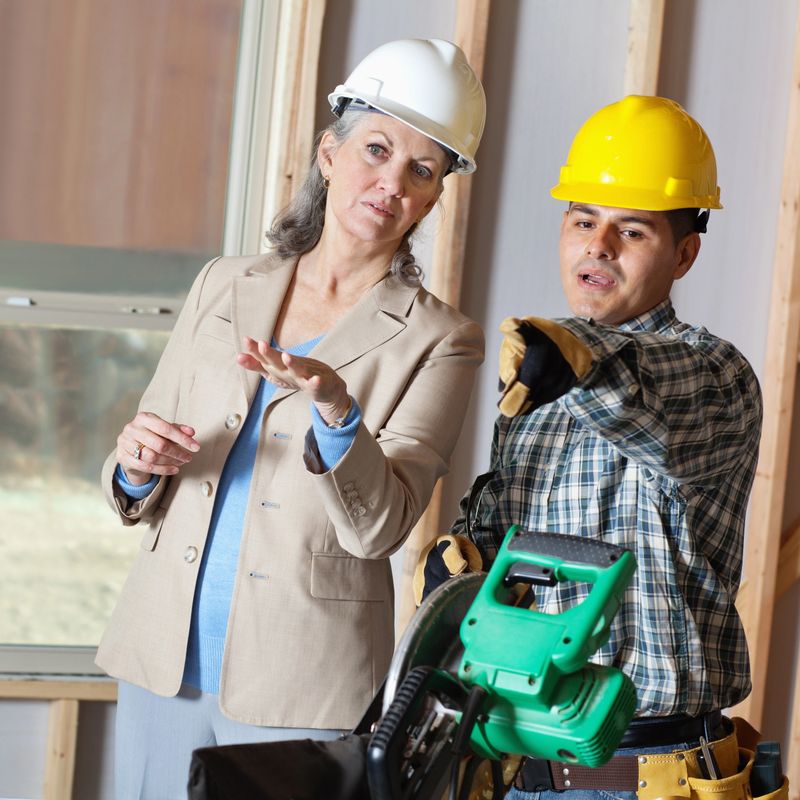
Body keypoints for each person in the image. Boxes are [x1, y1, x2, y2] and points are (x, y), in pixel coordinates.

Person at [98, 37, 486, 799]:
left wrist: (337, 410)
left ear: (435, 196)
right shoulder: (223, 283)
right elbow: (139, 461)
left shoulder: (443, 339)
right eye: (376, 150)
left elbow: (381, 529)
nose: (392, 183)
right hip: (160, 654)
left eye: (422, 170)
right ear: (329, 154)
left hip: (306, 678)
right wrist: (135, 468)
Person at [418, 95, 763, 799]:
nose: (598, 246)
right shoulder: (537, 381)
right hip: (517, 765)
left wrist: (577, 358)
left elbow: (646, 399)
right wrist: (467, 566)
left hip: (647, 773)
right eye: (583, 221)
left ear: (685, 253)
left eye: (632, 230)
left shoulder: (716, 376)